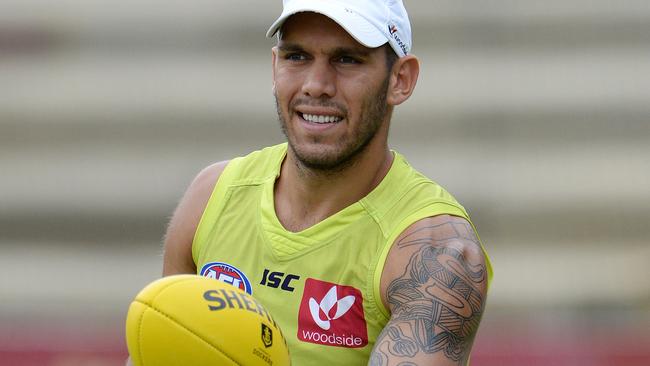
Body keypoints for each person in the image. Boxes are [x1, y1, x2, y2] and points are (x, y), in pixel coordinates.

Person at [161, 0, 493, 365]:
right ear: (274, 67)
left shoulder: (437, 254)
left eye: (347, 59)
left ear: (400, 80)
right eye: (297, 57)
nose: (316, 85)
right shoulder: (211, 196)